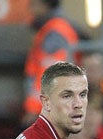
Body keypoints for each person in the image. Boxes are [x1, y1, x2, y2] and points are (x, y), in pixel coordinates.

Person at [22, 0, 79, 128]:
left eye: (34, 4)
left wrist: (34, 108)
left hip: (49, 109)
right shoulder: (53, 28)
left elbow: (50, 73)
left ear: (45, 5)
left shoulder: (55, 31)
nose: (30, 9)